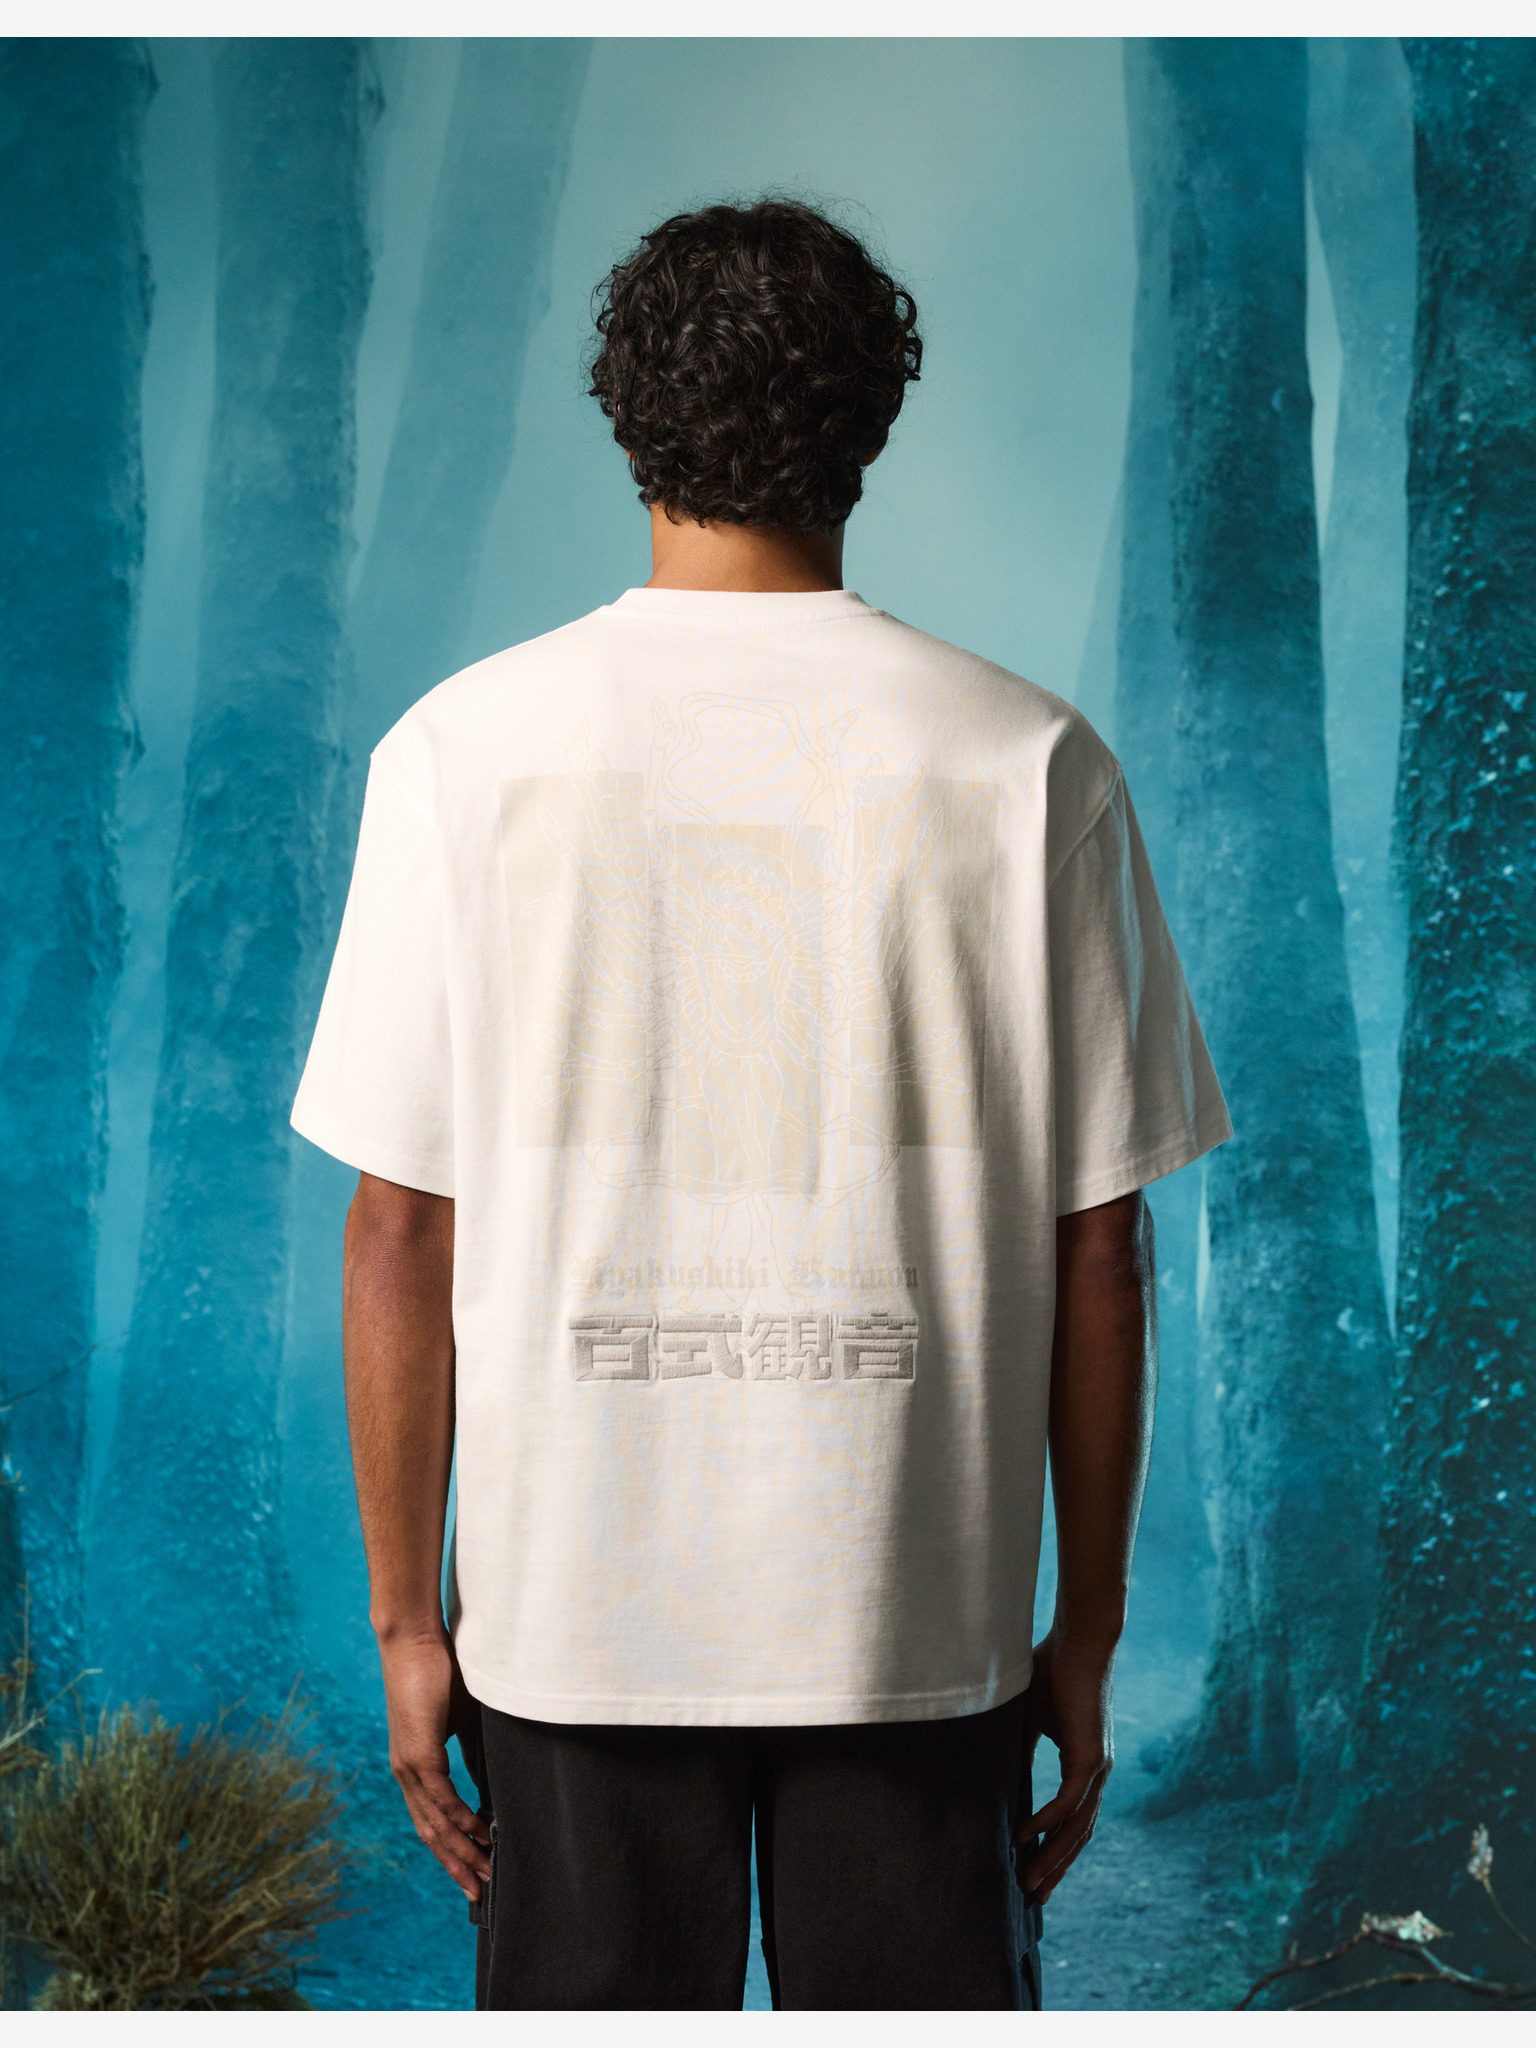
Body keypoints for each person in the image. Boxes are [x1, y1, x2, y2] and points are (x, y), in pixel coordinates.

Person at [292, 197, 1230, 2011]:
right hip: (916, 1612)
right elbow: (1101, 1249)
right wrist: (1089, 1632)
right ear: (871, 421)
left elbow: (400, 1225)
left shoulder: (461, 755)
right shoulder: (1028, 762)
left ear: (624, 416)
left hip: (572, 1620)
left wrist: (411, 1622)